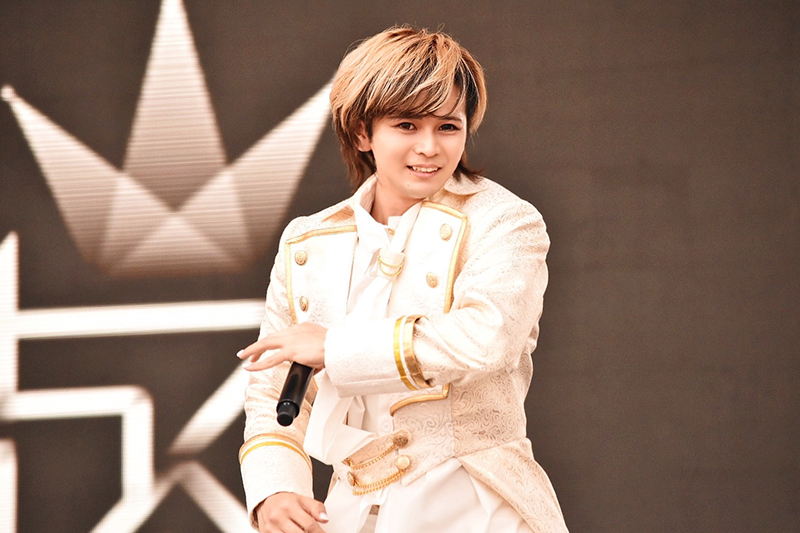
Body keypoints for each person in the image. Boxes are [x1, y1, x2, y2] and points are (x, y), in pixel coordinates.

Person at [237, 25, 568, 533]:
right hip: (352, 510)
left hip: (478, 505)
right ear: (362, 133)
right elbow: (273, 391)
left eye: (448, 126)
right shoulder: (308, 240)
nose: (429, 147)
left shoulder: (505, 220)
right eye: (407, 125)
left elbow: (486, 340)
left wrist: (334, 348)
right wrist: (275, 488)